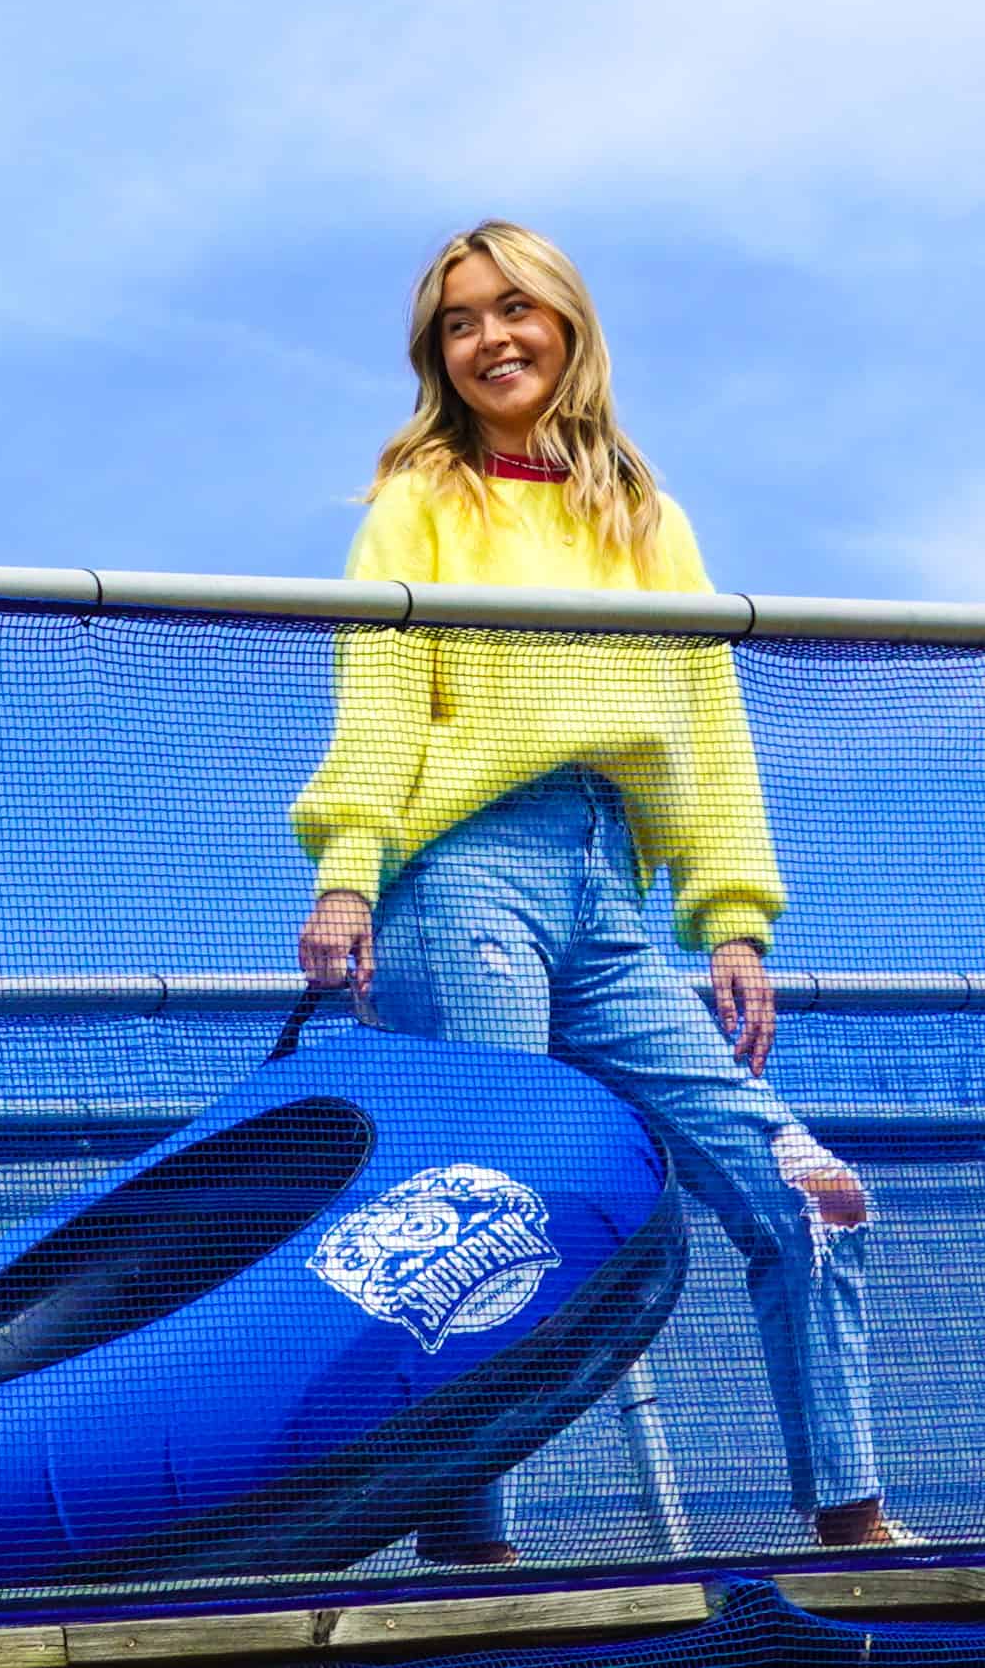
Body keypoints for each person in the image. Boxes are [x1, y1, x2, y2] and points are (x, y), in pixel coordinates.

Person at [290, 220, 893, 1563]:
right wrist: (345, 873)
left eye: (513, 309)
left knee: (807, 1188)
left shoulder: (643, 515)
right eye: (458, 321)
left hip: (602, 887)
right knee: (479, 1209)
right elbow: (380, 696)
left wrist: (730, 914)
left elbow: (702, 718)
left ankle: (851, 1517)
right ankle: (469, 1537)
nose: (489, 337)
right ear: (435, 355)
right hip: (460, 874)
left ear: (565, 324)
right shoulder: (420, 502)